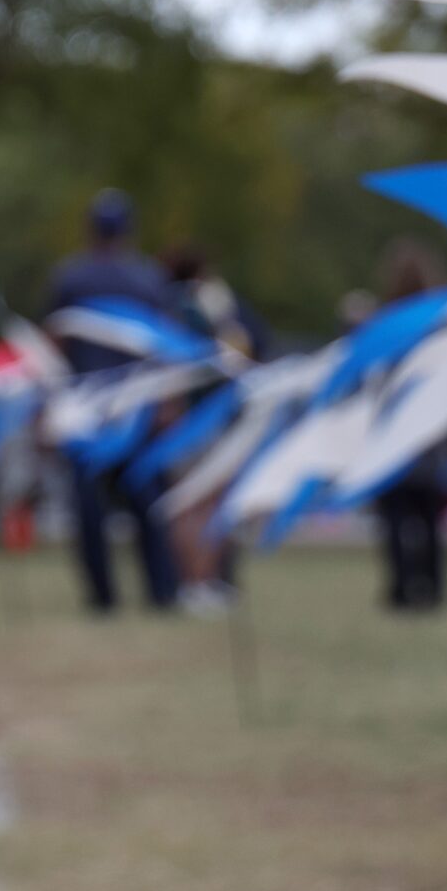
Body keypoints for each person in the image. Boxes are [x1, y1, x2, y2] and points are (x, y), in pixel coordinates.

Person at [46, 189, 182, 614]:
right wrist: (168, 405)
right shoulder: (149, 278)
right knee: (149, 506)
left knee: (90, 510)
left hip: (87, 409)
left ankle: (102, 598)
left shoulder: (71, 278)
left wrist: (50, 406)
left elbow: (51, 345)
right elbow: (168, 348)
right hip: (138, 407)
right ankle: (161, 592)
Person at [163, 243, 271, 613]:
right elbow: (247, 348)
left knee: (188, 504)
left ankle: (192, 583)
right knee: (207, 504)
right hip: (210, 416)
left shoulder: (165, 307)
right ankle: (202, 581)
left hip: (182, 420)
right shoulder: (210, 305)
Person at [371, 240, 447, 614]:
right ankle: (434, 586)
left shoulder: (386, 323)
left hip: (393, 434)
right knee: (431, 518)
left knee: (395, 517)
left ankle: (402, 587)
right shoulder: (444, 323)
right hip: (433, 432)